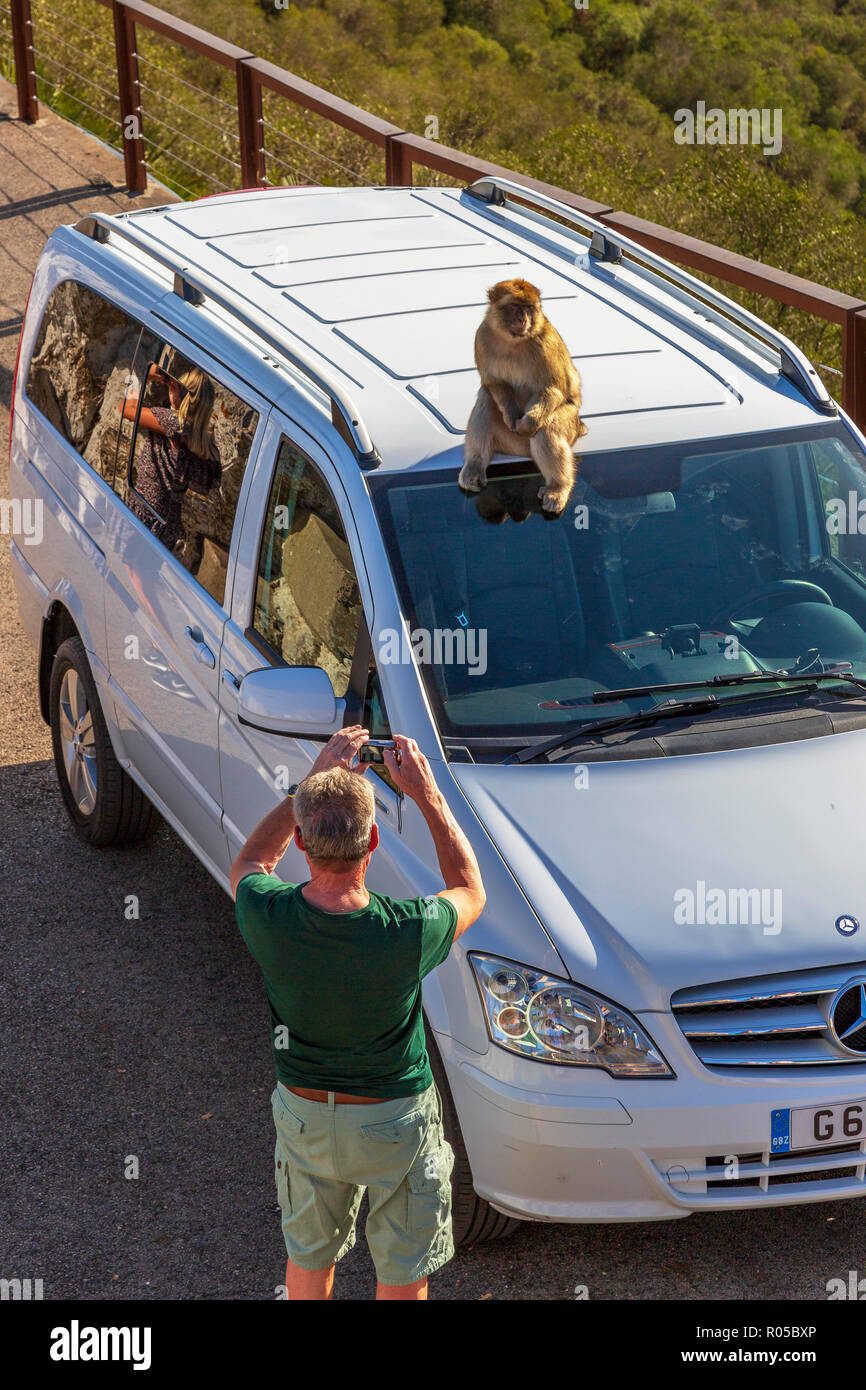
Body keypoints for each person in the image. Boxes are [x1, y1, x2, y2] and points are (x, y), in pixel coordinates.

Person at [230, 728, 486, 1301]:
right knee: (400, 1272)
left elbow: (251, 858)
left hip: (304, 1116)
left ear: (300, 841)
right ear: (373, 841)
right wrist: (427, 796)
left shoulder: (266, 914)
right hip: (393, 1120)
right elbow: (469, 888)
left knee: (308, 1259)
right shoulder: (409, 928)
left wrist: (310, 784)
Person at [120, 362, 220, 549]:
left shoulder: (173, 423)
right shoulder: (203, 439)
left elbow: (126, 409)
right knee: (145, 570)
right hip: (169, 518)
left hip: (148, 508)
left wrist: (139, 375)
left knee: (134, 571)